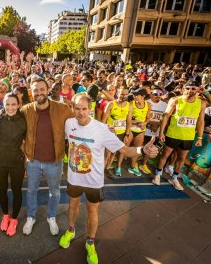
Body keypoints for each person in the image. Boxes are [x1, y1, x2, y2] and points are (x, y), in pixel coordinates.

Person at [59, 94, 158, 263]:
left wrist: (142, 151)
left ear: (90, 109)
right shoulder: (69, 124)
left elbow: (125, 151)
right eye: (77, 108)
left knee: (92, 211)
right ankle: (71, 230)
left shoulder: (101, 129)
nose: (81, 112)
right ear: (73, 108)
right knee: (72, 205)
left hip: (94, 181)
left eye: (84, 109)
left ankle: (90, 242)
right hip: (74, 178)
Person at [21, 78, 74, 236]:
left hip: (54, 161)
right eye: (35, 90)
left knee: (55, 192)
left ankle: (51, 216)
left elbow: (77, 123)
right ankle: (31, 217)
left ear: (48, 88)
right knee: (31, 191)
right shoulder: (26, 110)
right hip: (33, 161)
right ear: (31, 92)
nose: (39, 93)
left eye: (42, 89)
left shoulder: (63, 109)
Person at [153, 80, 206, 190]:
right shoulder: (175, 100)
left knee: (181, 158)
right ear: (183, 89)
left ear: (198, 90)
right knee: (165, 155)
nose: (190, 90)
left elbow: (201, 121)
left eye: (193, 88)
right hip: (173, 134)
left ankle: (174, 178)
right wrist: (161, 132)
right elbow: (166, 116)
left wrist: (200, 137)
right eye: (188, 88)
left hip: (188, 136)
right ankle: (157, 175)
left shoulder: (201, 103)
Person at [0, 93, 27, 237]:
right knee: (2, 190)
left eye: (13, 104)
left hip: (16, 163)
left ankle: (14, 219)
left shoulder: (24, 120)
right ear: (3, 104)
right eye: (8, 104)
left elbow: (28, 141)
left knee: (17, 191)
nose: (10, 107)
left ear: (18, 105)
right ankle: (5, 215)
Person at [102, 86, 132, 176]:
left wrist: (127, 134)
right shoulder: (111, 104)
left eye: (126, 94)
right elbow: (103, 120)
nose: (124, 96)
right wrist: (106, 129)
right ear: (117, 93)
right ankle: (101, 171)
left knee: (113, 153)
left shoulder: (129, 105)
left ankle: (106, 169)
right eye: (122, 94)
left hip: (121, 133)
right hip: (110, 133)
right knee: (107, 153)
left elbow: (129, 121)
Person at [140, 86, 168, 174]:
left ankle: (144, 164)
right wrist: (149, 124)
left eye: (160, 94)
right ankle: (135, 164)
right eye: (156, 94)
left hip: (155, 133)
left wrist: (160, 129)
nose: (158, 96)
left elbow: (165, 119)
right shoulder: (146, 103)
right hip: (143, 130)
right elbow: (141, 117)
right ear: (151, 94)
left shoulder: (165, 105)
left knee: (150, 148)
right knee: (139, 147)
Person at [127, 88, 151, 176]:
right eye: (134, 95)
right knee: (124, 148)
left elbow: (148, 118)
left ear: (143, 96)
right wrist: (136, 122)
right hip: (130, 129)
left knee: (137, 150)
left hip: (140, 131)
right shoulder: (130, 104)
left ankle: (132, 166)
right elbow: (127, 118)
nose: (134, 96)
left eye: (137, 95)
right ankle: (118, 167)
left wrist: (144, 123)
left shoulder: (148, 105)